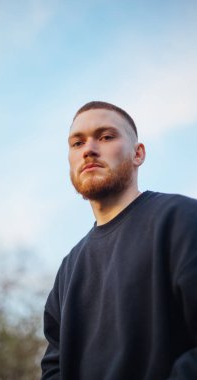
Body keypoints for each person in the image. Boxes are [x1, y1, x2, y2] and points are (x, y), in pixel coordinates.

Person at [41, 101, 197, 380]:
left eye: (106, 137)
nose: (88, 149)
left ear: (138, 154)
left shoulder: (183, 220)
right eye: (77, 143)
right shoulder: (68, 271)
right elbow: (54, 368)